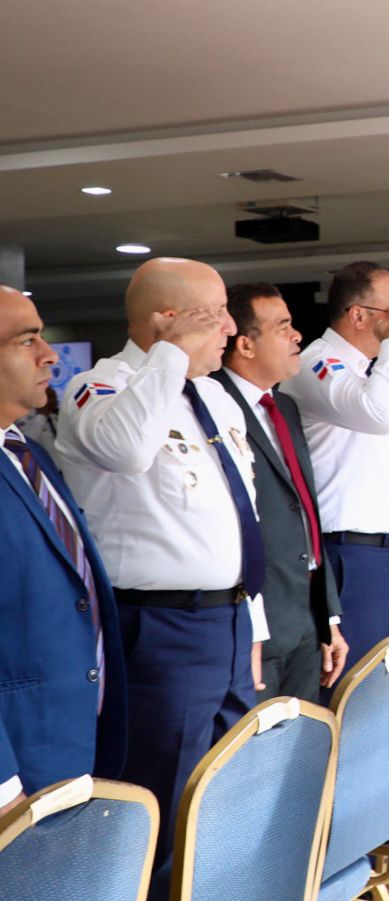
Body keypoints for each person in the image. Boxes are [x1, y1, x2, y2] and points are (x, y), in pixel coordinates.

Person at [56, 257, 268, 866]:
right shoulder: (98, 386)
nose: (231, 328)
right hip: (160, 627)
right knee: (160, 799)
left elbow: (240, 516)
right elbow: (126, 451)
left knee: (232, 791)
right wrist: (169, 355)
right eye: (215, 313)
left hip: (230, 621)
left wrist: (253, 623)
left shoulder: (216, 398)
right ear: (167, 320)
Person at [0, 286, 126, 818]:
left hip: (68, 740)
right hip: (18, 767)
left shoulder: (27, 453)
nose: (50, 355)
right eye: (26, 340)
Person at [281, 262, 389, 669]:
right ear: (358, 315)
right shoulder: (318, 362)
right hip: (352, 552)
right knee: (356, 679)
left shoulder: (366, 371)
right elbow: (380, 415)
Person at [214, 283, 348, 702]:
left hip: (304, 611)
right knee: (255, 736)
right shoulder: (213, 404)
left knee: (303, 732)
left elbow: (304, 510)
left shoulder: (284, 406)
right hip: (255, 612)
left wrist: (329, 616)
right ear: (245, 344)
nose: (297, 336)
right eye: (283, 326)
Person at [16, 384, 59, 458]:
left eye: (53, 397)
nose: (51, 400)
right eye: (49, 397)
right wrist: (42, 415)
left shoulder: (56, 415)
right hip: (44, 462)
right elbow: (26, 442)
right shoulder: (23, 417)